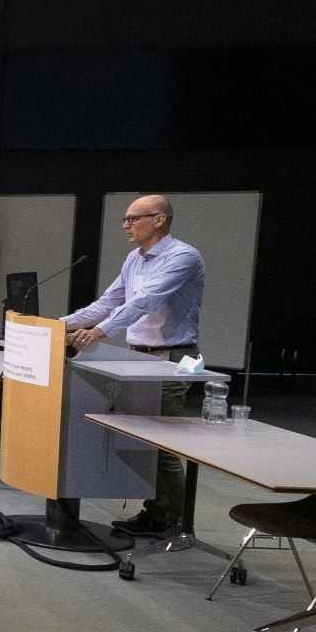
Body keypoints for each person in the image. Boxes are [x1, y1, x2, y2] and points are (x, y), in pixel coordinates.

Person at [61, 193, 207, 536]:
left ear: (159, 220)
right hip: (138, 355)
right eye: (125, 219)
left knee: (161, 442)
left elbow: (145, 301)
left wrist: (99, 332)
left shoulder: (183, 256)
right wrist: (56, 325)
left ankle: (176, 522)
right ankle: (156, 513)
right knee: (142, 440)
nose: (126, 225)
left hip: (174, 357)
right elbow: (108, 303)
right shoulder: (134, 259)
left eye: (133, 218)